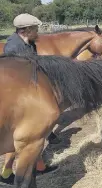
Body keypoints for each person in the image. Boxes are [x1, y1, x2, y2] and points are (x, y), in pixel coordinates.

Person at [0, 13, 59, 185]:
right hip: (17, 98)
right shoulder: (13, 47)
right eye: (35, 29)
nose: (38, 32)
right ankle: (13, 172)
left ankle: (34, 167)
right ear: (26, 30)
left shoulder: (30, 44)